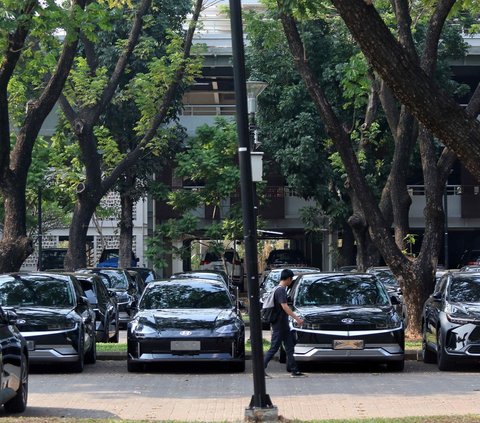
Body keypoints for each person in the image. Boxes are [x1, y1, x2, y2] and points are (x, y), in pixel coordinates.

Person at [264, 268, 306, 377]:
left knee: (289, 347)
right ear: (288, 279)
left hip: (283, 324)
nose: (291, 282)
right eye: (291, 279)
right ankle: (260, 369)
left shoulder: (278, 289)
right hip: (279, 324)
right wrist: (297, 318)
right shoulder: (281, 290)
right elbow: (285, 306)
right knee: (274, 348)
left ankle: (294, 370)